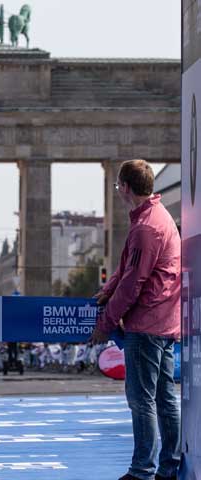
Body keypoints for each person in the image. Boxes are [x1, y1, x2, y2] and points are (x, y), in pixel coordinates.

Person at [89, 159, 181, 480]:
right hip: (165, 320)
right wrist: (107, 289)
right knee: (165, 396)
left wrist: (105, 324)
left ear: (126, 188)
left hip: (147, 323)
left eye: (117, 186)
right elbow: (126, 269)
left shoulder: (145, 228)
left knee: (142, 400)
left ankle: (142, 470)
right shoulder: (154, 217)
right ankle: (169, 466)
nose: (117, 191)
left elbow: (133, 283)